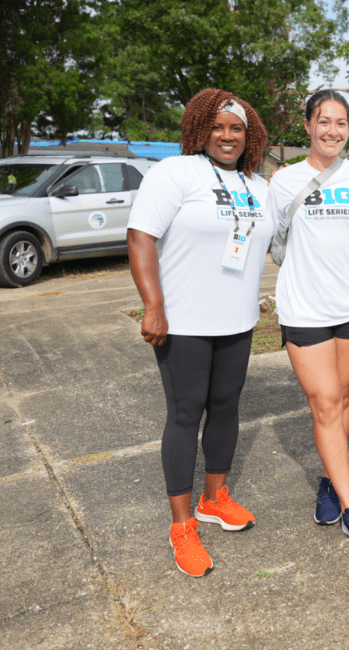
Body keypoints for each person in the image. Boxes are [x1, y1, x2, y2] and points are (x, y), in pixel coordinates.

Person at [127, 89, 271, 577]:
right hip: (184, 322)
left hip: (238, 320)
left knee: (228, 408)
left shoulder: (258, 184)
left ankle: (214, 499)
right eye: (217, 126)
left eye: (236, 128)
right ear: (198, 128)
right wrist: (154, 306)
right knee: (186, 415)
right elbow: (141, 235)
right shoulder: (175, 173)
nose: (227, 135)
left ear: (248, 135)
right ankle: (182, 524)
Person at [271, 90, 349, 554]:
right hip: (304, 308)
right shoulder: (283, 182)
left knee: (341, 397)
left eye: (341, 123)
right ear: (307, 126)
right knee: (323, 403)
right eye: (324, 121)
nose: (332, 130)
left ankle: (327, 477)